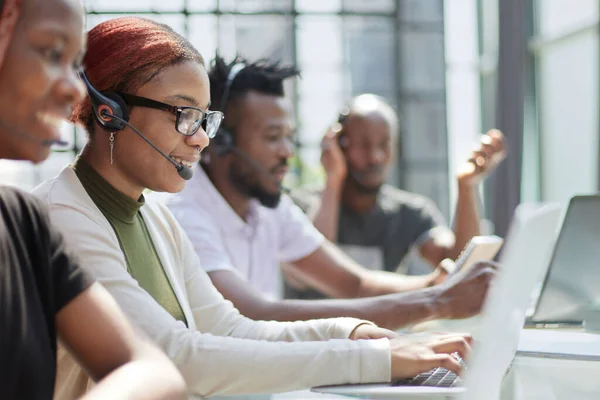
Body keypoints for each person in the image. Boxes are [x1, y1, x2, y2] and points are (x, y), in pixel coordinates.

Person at [31, 16, 473, 399]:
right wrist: (372, 360)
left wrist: (350, 332)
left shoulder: (155, 217)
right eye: (183, 114)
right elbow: (177, 358)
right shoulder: (64, 219)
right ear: (112, 112)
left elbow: (232, 328)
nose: (200, 137)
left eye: (205, 118)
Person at [164, 55, 497, 330]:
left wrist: (432, 286)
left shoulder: (268, 206)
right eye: (272, 137)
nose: (286, 152)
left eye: (289, 137)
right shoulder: (185, 214)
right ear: (219, 141)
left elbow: (355, 284)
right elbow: (254, 314)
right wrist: (435, 302)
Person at [0, 1, 188, 399]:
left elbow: (151, 367)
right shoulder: (58, 210)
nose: (74, 89)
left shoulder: (23, 224)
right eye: (52, 54)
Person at [287, 94, 506, 299]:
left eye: (384, 145)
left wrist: (466, 186)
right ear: (339, 145)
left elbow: (459, 266)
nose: (376, 157)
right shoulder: (299, 206)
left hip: (386, 337)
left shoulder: (410, 211)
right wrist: (333, 179)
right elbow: (311, 263)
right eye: (363, 145)